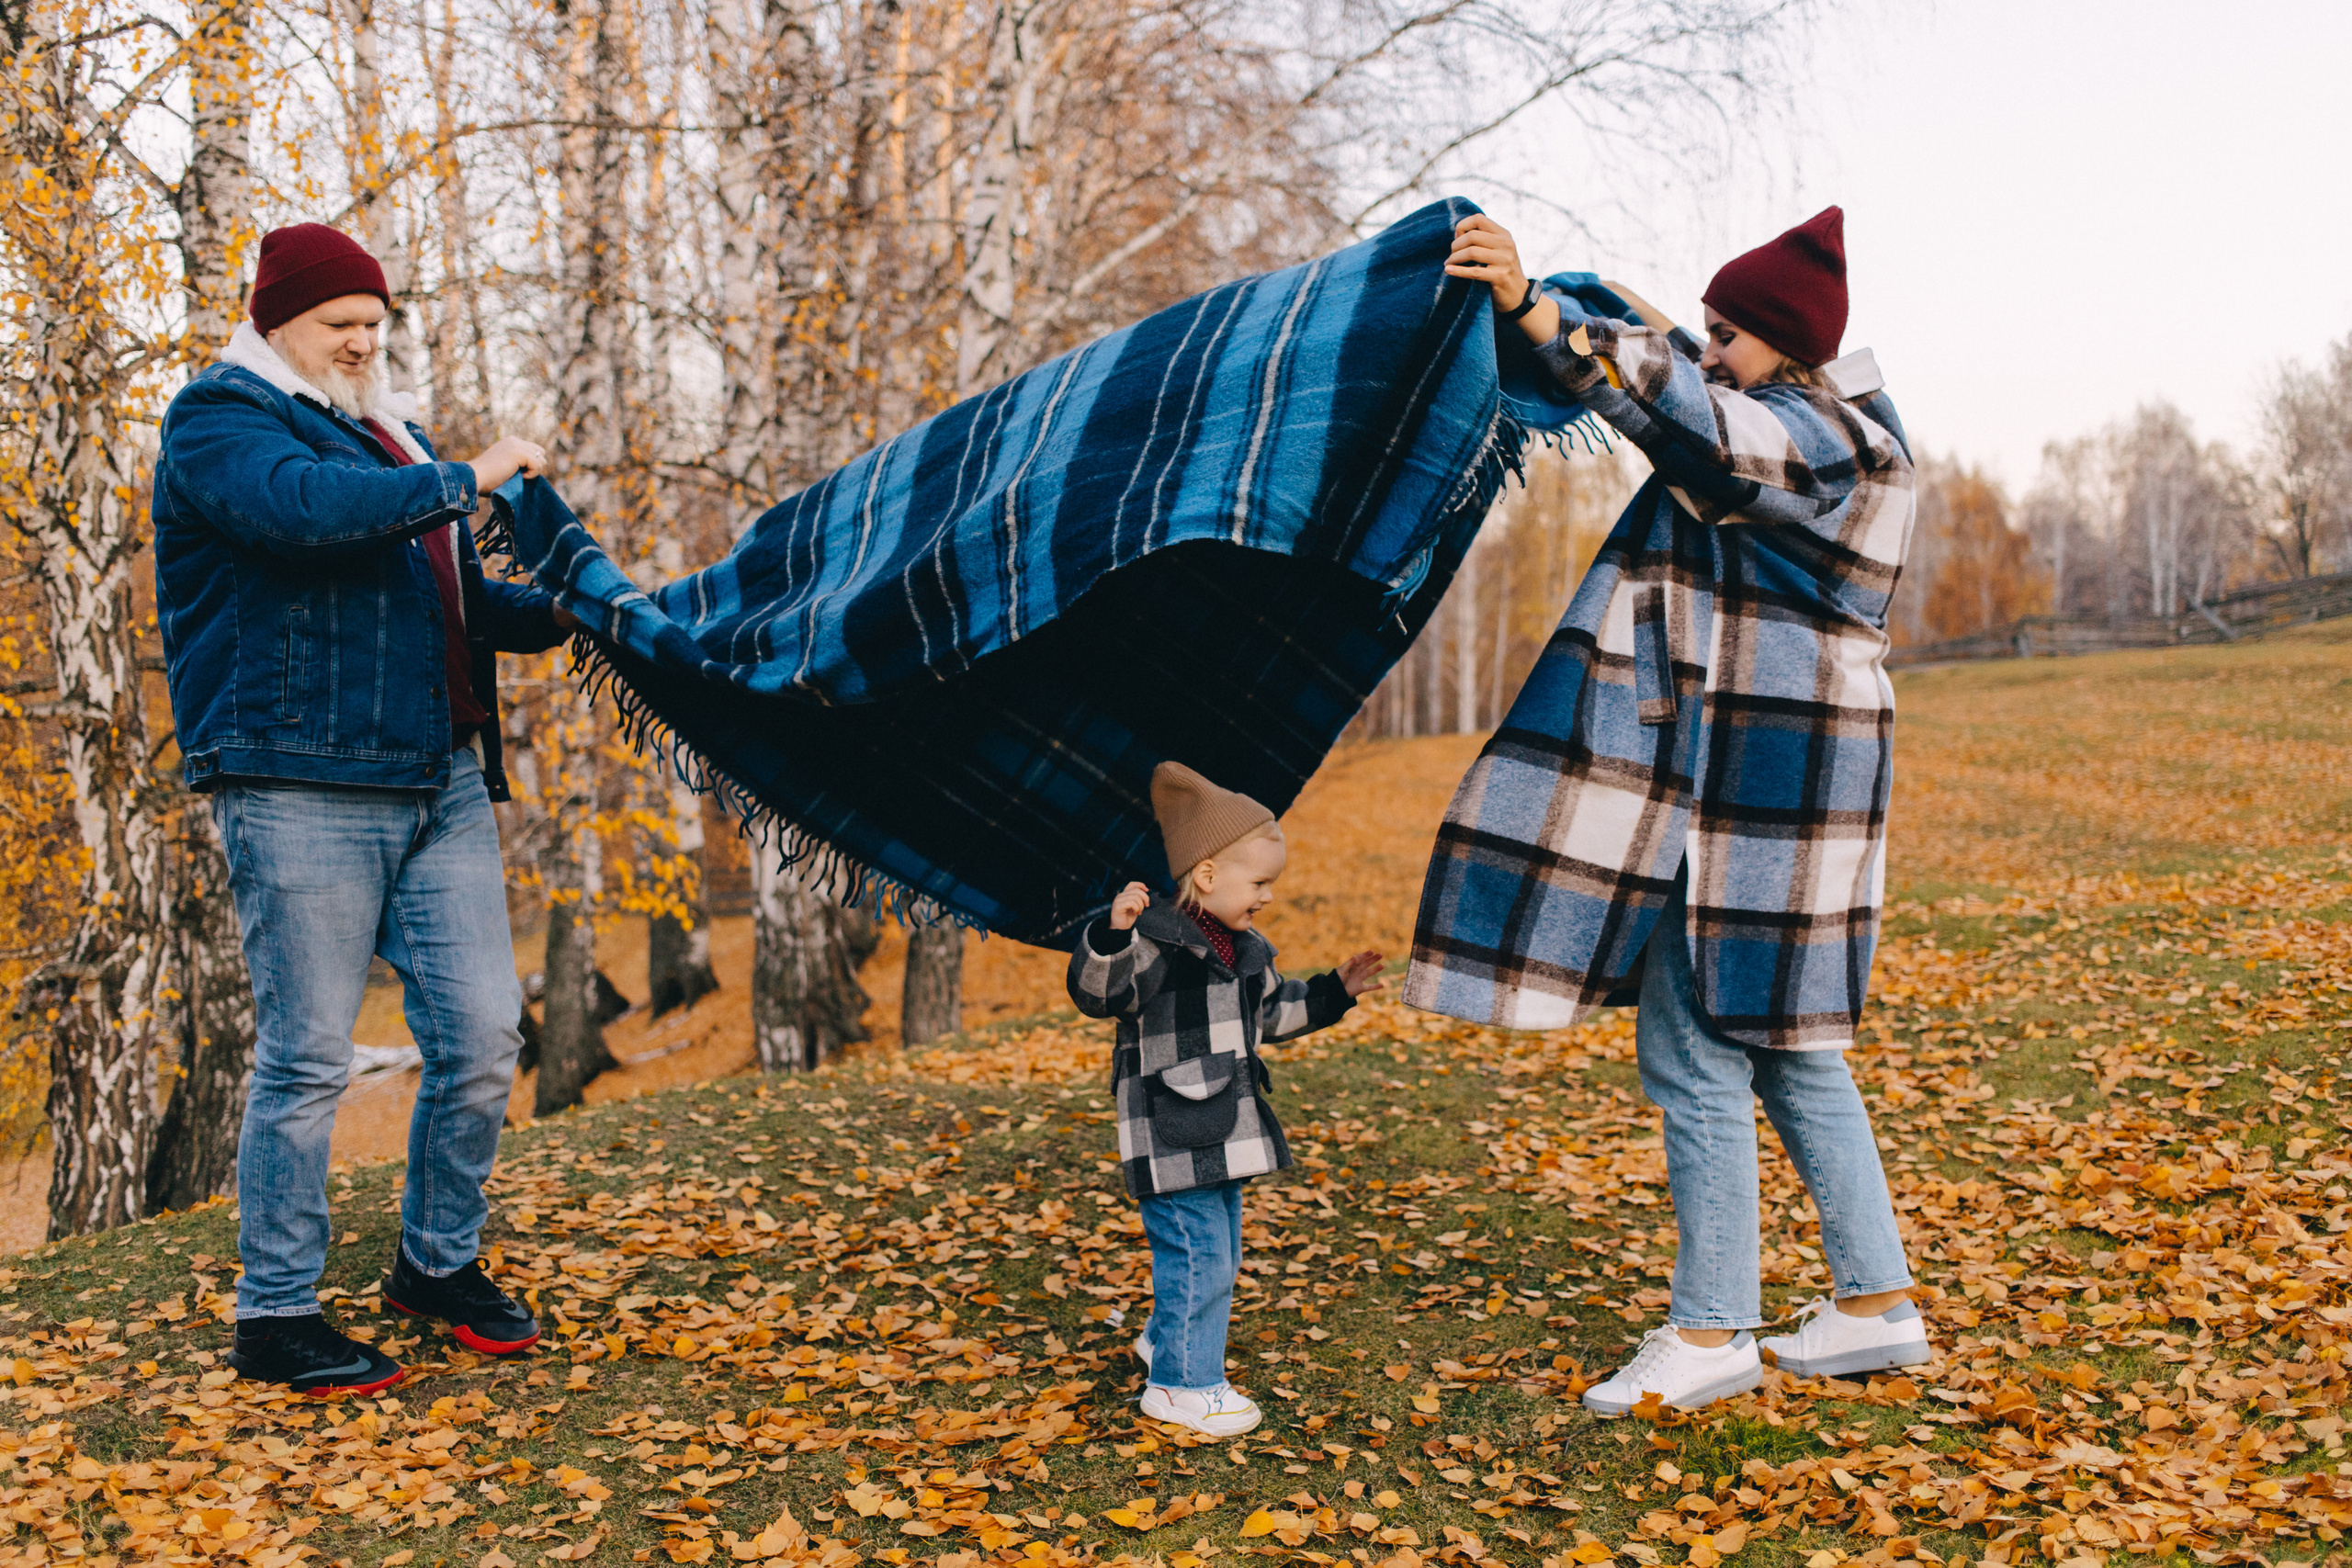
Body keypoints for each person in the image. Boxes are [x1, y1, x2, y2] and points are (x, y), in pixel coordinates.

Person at [1412, 208, 1928, 1414]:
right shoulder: (1813, 432)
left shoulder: (1828, 444)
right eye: (1702, 331)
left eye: (1726, 334)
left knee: (1692, 1047)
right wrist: (1605, 329)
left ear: (1787, 348)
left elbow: (1703, 427)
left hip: (1760, 807)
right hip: (1766, 801)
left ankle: (1711, 1331)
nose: (1709, 353)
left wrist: (1548, 314)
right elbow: (1697, 414)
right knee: (1795, 1045)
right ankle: (1874, 1301)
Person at [154, 222, 579, 1395]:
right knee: (306, 1059)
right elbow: (310, 516)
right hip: (301, 783)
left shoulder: (389, 437)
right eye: (340, 324)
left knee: (486, 1036)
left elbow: (442, 600)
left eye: (374, 327)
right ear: (276, 320)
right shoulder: (221, 419)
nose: (360, 343)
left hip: (439, 777)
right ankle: (275, 1313)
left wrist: (575, 611)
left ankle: (435, 1267)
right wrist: (473, 476)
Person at [1068, 762, 1385, 1438]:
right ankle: (1184, 1387)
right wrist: (1115, 934)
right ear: (1207, 877)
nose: (1268, 896)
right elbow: (1102, 994)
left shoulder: (1244, 947)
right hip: (1172, 1132)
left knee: (1220, 1250)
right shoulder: (1154, 942)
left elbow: (1272, 1013)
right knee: (1199, 1252)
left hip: (1222, 1130)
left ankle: (1165, 1339)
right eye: (1259, 882)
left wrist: (1336, 991)